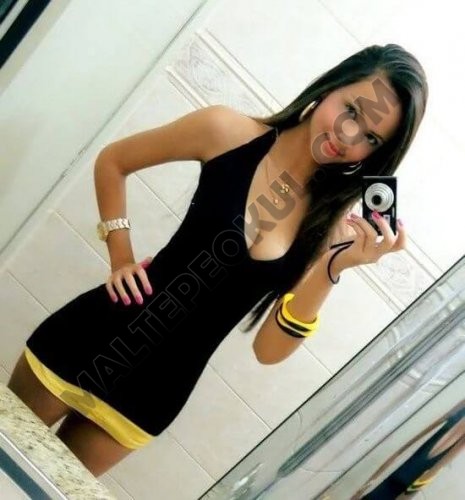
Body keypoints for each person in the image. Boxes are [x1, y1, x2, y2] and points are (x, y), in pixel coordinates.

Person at [7, 43, 428, 477]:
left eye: (371, 138)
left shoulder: (328, 227)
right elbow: (114, 161)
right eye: (352, 111)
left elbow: (268, 351)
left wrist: (332, 268)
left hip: (153, 395)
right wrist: (120, 258)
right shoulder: (227, 131)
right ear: (330, 88)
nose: (349, 136)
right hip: (88, 336)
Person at [351, 400, 465, 499]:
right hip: (394, 477)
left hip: (406, 483)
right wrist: (361, 489)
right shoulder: (460, 408)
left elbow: (432, 472)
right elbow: (402, 450)